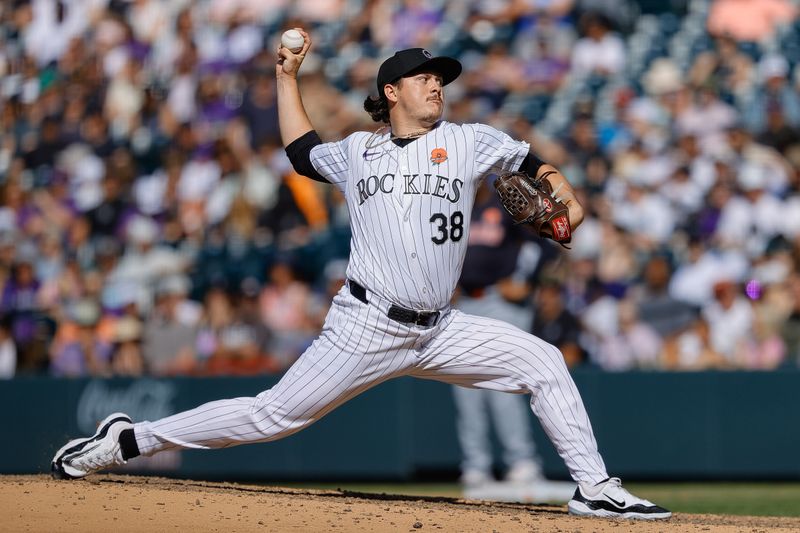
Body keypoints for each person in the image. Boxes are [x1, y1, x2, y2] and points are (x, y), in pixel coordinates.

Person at [51, 30, 670, 520]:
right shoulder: (358, 151)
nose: (436, 85)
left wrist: (564, 194)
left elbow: (533, 162)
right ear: (392, 91)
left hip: (441, 328)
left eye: (440, 77)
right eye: (424, 77)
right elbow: (299, 153)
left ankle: (595, 488)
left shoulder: (468, 140)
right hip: (366, 325)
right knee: (273, 417)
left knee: (544, 363)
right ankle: (134, 440)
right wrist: (285, 77)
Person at [452, 181, 574, 503]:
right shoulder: (456, 206)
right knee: (465, 388)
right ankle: (475, 466)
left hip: (501, 302)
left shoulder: (502, 205)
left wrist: (526, 281)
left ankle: (521, 463)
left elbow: (544, 245)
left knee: (502, 385)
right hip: (464, 302)